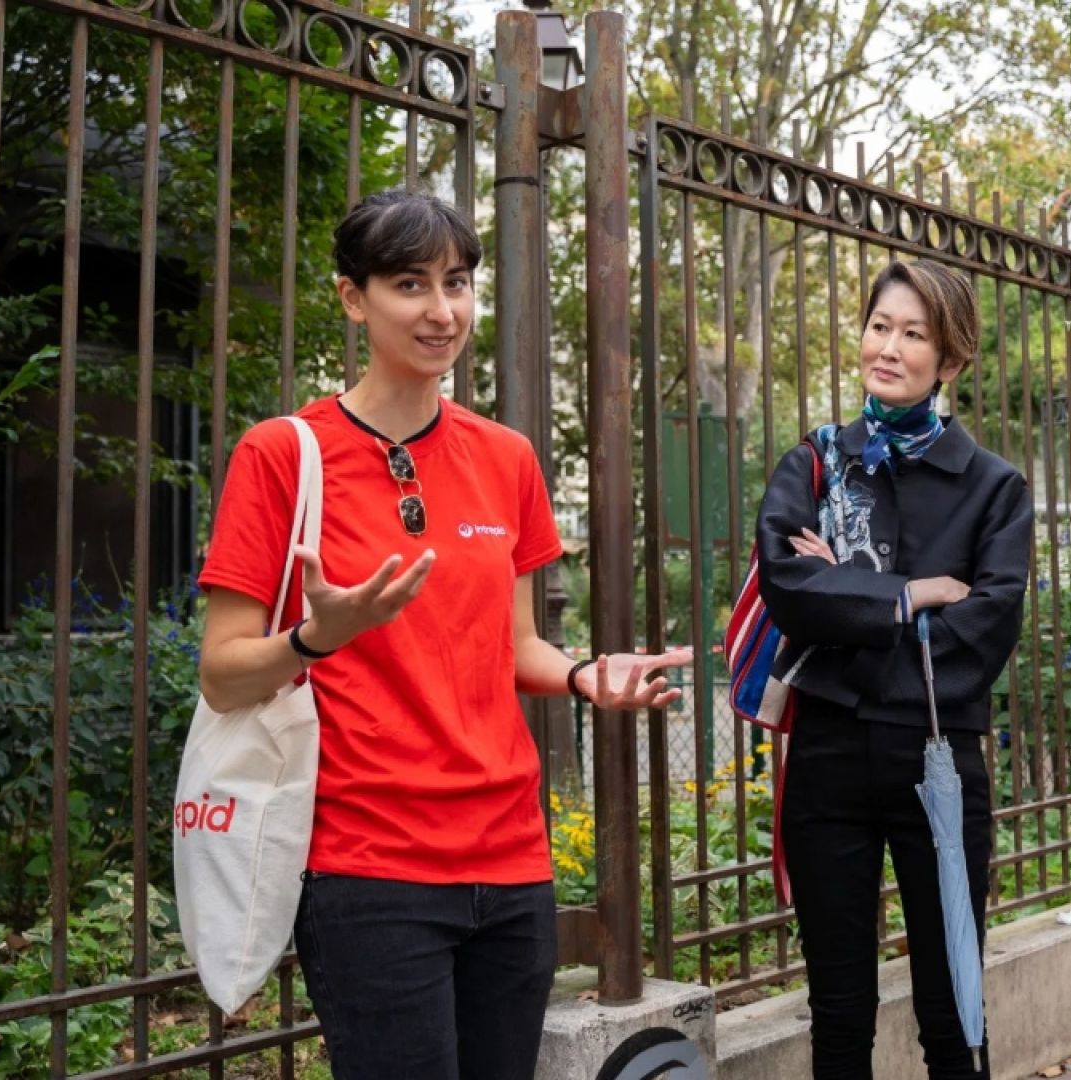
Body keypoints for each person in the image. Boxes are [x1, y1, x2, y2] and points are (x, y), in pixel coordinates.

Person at [196, 190, 690, 1080]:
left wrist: (585, 676)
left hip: (510, 865)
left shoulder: (506, 458)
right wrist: (317, 636)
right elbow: (224, 675)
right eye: (409, 284)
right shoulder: (282, 455)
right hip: (368, 870)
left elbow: (516, 646)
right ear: (354, 298)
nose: (442, 310)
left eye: (457, 283)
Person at [754, 257, 1033, 1079]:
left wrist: (851, 602)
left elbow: (984, 630)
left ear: (949, 360)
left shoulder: (994, 488)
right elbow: (789, 590)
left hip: (938, 759)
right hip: (827, 760)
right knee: (838, 1013)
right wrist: (909, 597)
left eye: (915, 334)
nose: (890, 347)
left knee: (954, 1011)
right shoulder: (815, 462)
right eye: (881, 326)